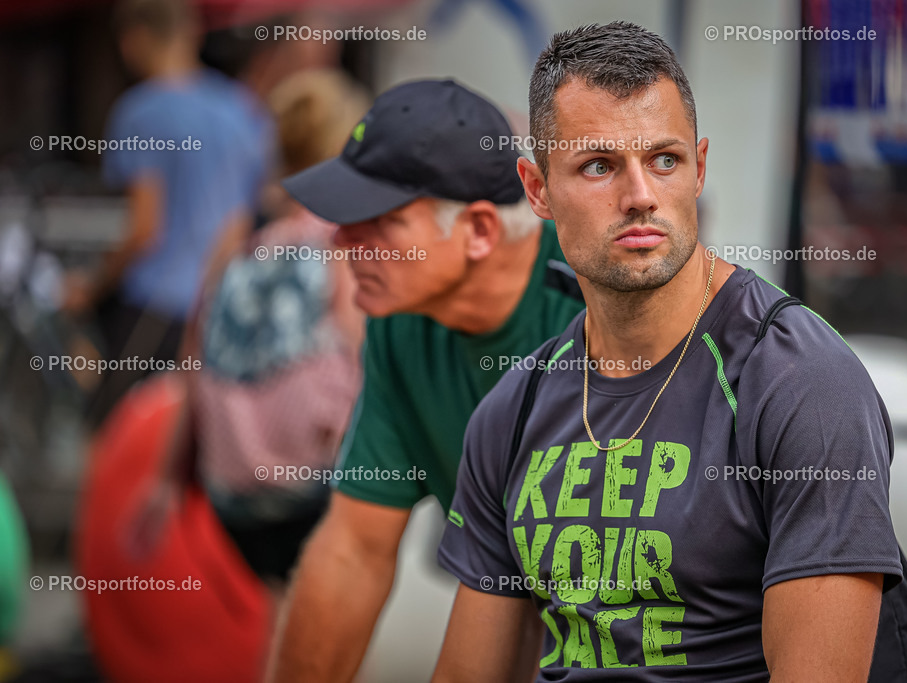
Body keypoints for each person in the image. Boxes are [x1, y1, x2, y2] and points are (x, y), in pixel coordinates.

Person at [432, 22, 906, 681]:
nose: (640, 197)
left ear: (699, 168)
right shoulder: (516, 406)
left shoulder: (801, 382)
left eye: (664, 160)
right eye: (598, 166)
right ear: (537, 189)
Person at [264, 79, 586, 682]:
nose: (341, 238)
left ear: (480, 231)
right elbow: (353, 550)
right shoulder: (400, 322)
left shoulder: (595, 314)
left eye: (380, 221)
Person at [127, 68, 370, 589]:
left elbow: (193, 363)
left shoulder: (237, 237)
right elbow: (358, 348)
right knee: (318, 614)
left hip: (232, 488)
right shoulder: (340, 239)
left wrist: (166, 479)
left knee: (278, 610)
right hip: (313, 481)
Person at [64, 0, 273, 429]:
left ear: (133, 40)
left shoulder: (140, 112)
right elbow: (246, 218)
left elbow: (145, 229)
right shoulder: (241, 108)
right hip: (219, 307)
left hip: (156, 305)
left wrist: (91, 287)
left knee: (115, 433)